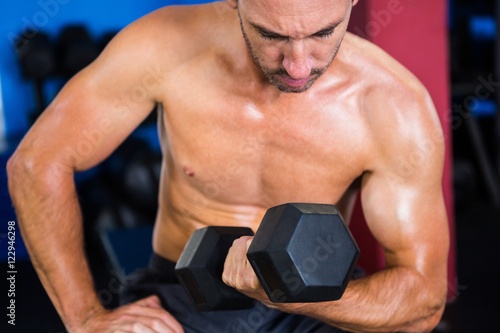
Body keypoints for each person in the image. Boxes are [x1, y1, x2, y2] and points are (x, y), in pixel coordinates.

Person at [7, 0, 450, 332]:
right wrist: (84, 316)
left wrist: (300, 301)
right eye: (272, 35)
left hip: (319, 300)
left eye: (322, 33)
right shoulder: (165, 47)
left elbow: (425, 299)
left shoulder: (392, 107)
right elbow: (36, 163)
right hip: (183, 295)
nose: (298, 66)